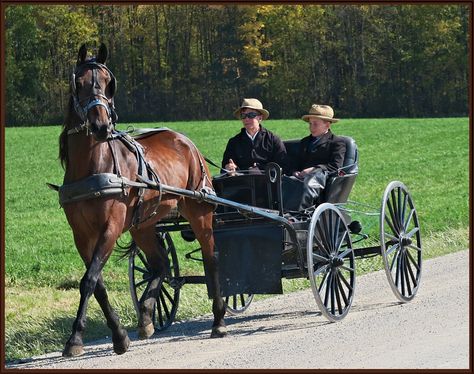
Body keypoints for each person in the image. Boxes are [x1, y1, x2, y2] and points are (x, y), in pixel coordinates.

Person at [283, 104, 346, 211]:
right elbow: (295, 161)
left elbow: (336, 165)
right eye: (310, 124)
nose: (311, 127)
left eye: (315, 124)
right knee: (285, 181)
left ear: (327, 125)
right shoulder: (304, 142)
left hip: (321, 179)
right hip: (300, 178)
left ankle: (298, 214)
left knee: (308, 183)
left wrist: (313, 169)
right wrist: (294, 171)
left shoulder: (337, 143)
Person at [221, 98, 289, 175]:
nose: (246, 119)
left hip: (268, 184)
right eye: (243, 115)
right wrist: (229, 168)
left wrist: (262, 170)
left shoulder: (273, 140)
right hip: (242, 184)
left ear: (260, 118)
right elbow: (224, 169)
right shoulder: (234, 142)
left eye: (251, 115)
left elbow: (284, 167)